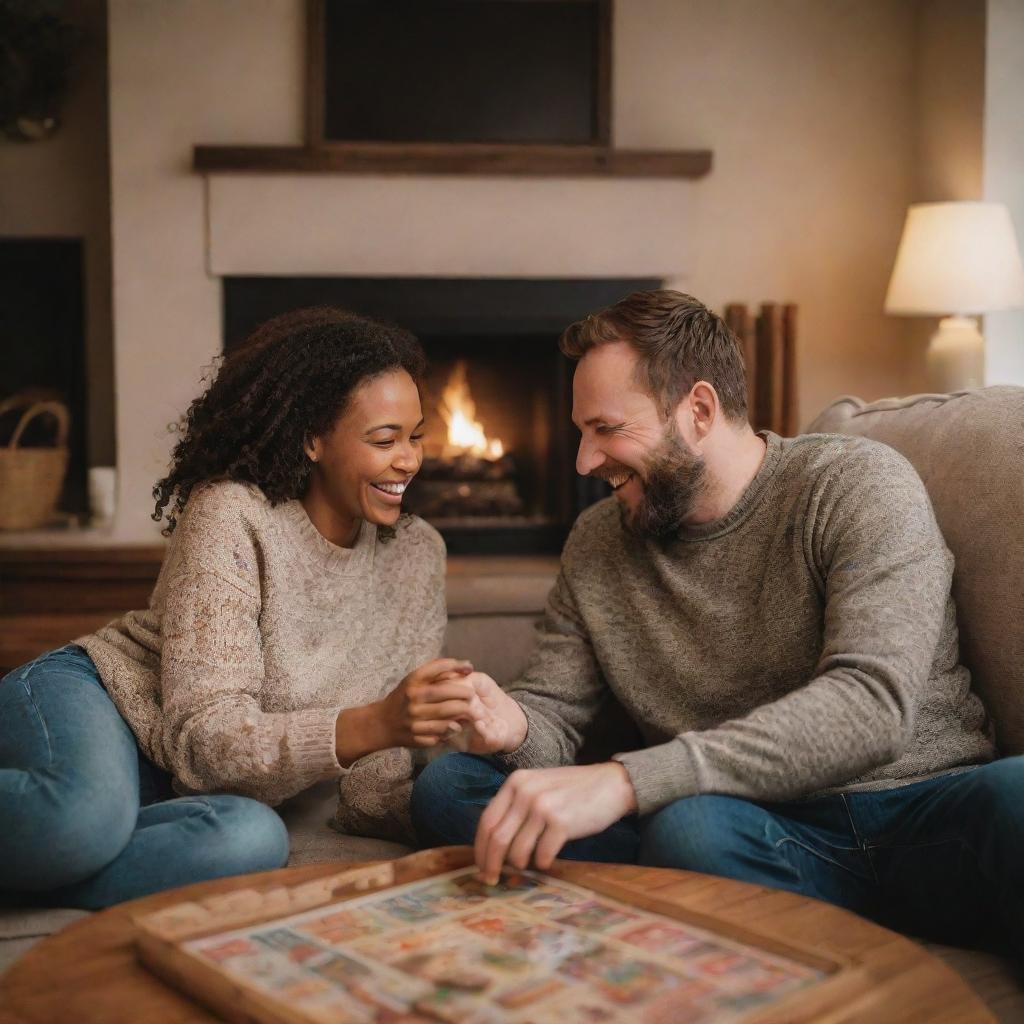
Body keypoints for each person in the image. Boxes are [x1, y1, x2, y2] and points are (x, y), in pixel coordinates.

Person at [414, 289, 1024, 957]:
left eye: (608, 429)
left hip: (928, 813)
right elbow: (555, 711)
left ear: (698, 409)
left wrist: (626, 782)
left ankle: (723, 918)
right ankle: (785, 929)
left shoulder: (854, 485)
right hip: (750, 828)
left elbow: (872, 707)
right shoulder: (597, 542)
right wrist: (514, 724)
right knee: (456, 788)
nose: (586, 462)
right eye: (580, 433)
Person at [0, 307, 478, 909]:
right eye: (384, 440)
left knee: (251, 840)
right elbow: (207, 741)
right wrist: (375, 722)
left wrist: (470, 800)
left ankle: (43, 874)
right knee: (81, 819)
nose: (408, 459)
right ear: (312, 438)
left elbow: (372, 784)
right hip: (104, 700)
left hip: (171, 788)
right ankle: (66, 842)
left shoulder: (417, 553)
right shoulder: (233, 514)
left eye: (415, 437)